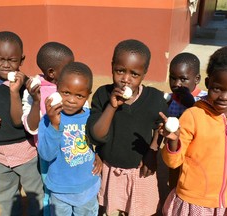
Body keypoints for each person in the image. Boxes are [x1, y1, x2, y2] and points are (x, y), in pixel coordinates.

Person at [158, 45, 227, 215]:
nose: (224, 97)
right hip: (193, 201)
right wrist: (173, 141)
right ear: (208, 83)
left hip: (226, 203)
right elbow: (173, 162)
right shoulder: (193, 115)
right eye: (217, 88)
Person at [86, 39, 169, 216]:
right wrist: (112, 106)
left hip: (139, 172)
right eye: (120, 71)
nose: (126, 79)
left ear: (144, 73)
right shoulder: (102, 95)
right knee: (106, 209)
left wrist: (152, 152)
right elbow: (96, 136)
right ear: (112, 67)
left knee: (138, 210)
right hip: (108, 169)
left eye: (134, 74)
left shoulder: (155, 99)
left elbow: (160, 127)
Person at [0, 31, 44, 215]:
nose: (6, 64)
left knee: (35, 193)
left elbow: (20, 122)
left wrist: (15, 92)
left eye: (12, 60)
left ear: (21, 60)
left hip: (25, 153)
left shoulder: (27, 86)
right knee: (5, 195)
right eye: (0, 59)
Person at [37, 61, 101, 216]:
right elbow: (46, 155)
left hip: (87, 187)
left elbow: (101, 138)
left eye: (79, 95)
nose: (72, 100)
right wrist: (54, 125)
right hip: (60, 191)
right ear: (57, 88)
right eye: (66, 93)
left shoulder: (92, 117)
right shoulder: (48, 119)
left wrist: (100, 154)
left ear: (88, 95)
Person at [21, 41, 75, 216]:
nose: (72, 71)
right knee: (50, 189)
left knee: (71, 187)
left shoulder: (72, 85)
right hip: (48, 154)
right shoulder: (34, 90)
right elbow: (31, 127)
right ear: (52, 72)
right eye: (68, 68)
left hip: (71, 149)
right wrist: (36, 101)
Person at [163, 52, 207, 193]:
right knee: (174, 184)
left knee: (193, 184)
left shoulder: (205, 100)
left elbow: (207, 122)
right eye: (173, 78)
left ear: (197, 79)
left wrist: (191, 104)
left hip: (197, 154)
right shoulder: (169, 100)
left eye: (183, 79)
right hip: (174, 151)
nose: (177, 84)